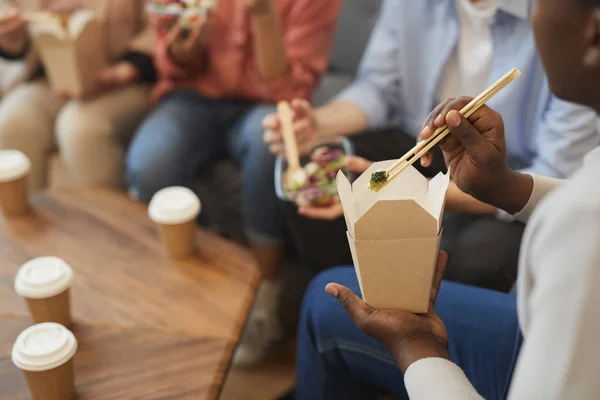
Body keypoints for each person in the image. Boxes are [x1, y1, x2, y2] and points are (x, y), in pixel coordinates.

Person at [294, 0, 600, 396]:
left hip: (531, 329)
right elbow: (378, 87)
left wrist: (416, 345)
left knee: (325, 304)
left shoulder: (580, 225)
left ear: (593, 34)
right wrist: (507, 186)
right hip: (476, 174)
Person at [263, 0, 600, 292]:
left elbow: (551, 174)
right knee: (318, 178)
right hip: (423, 146)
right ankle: (349, 305)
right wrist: (315, 125)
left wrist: (419, 193)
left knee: (475, 258)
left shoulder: (563, 24)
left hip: (510, 175)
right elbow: (380, 88)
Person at [124, 0, 341, 366]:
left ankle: (264, 297)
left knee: (264, 143)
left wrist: (263, 15)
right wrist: (184, 50)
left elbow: (290, 90)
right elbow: (171, 63)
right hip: (195, 97)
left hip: (267, 101)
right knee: (150, 164)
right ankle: (192, 284)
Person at [0, 0, 156, 190]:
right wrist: (12, 37)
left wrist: (132, 66)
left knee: (81, 129)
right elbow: (18, 32)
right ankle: (33, 216)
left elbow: (165, 19)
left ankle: (103, 216)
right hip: (52, 76)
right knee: (13, 122)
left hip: (131, 77)